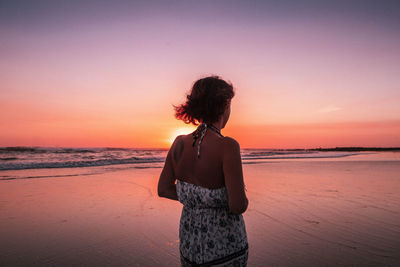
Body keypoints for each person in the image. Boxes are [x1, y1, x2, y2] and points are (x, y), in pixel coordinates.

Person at [157, 75, 248, 266]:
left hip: (189, 246)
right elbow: (237, 205)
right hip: (224, 249)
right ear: (224, 105)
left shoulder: (179, 143)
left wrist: (195, 198)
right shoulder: (228, 146)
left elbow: (163, 189)